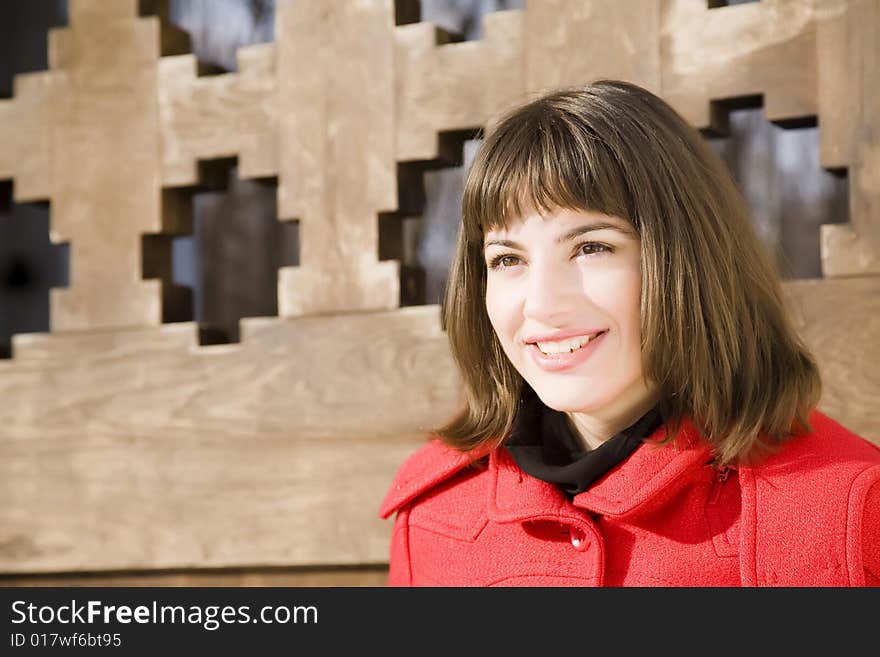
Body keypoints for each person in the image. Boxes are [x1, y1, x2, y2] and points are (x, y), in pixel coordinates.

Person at [378, 79, 880, 586]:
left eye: (592, 247)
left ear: (689, 260)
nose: (543, 303)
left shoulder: (846, 509)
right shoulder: (436, 518)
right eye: (508, 259)